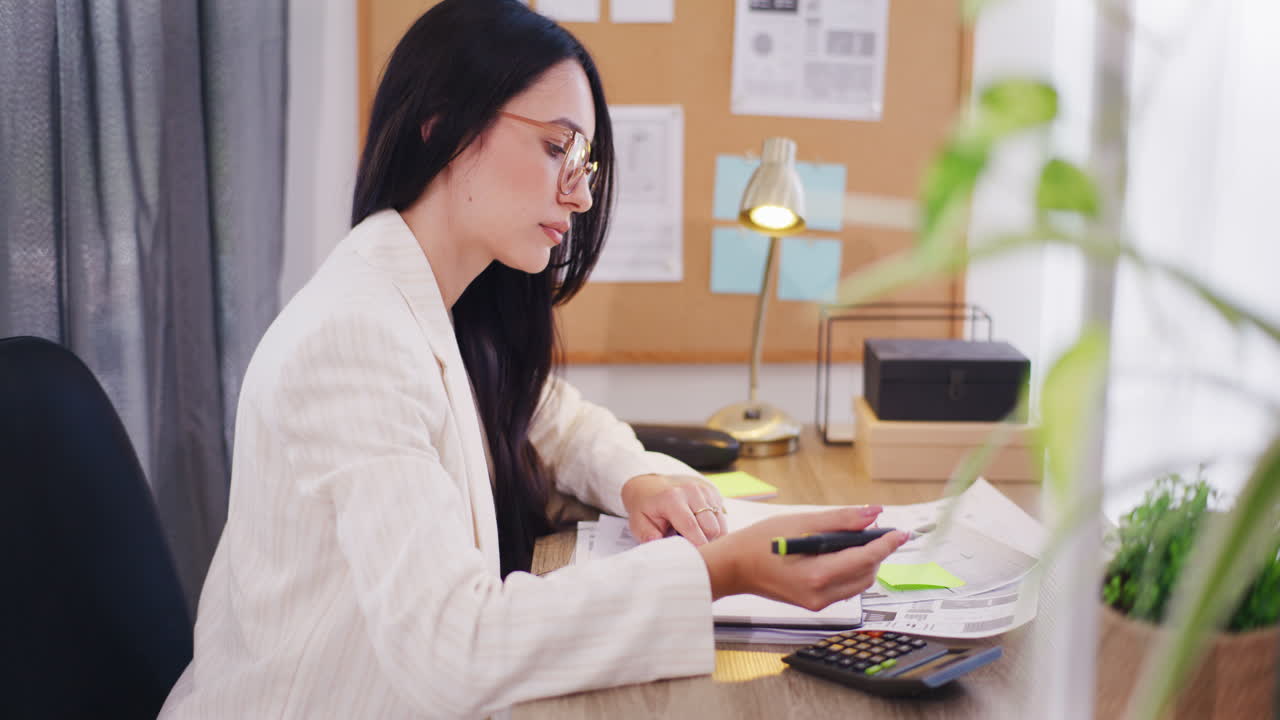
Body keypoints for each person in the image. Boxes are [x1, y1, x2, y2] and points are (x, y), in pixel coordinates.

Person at [159, 1, 905, 717]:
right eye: (556, 148)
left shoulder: (439, 305)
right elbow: (455, 646)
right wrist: (720, 570)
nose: (578, 195)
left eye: (584, 162)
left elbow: (556, 420)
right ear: (444, 125)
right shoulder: (354, 340)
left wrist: (636, 477)